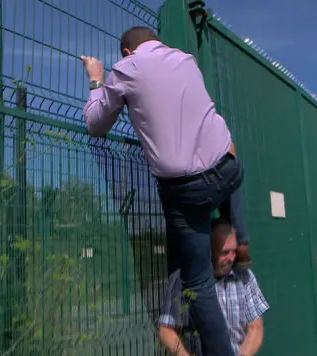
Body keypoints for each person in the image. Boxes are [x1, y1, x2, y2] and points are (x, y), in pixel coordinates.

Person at [80, 26, 251, 356]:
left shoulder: (127, 69)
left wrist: (97, 78)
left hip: (188, 191)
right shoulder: (187, 59)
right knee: (227, 163)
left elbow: (96, 124)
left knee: (199, 283)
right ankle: (239, 240)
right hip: (229, 167)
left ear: (127, 52)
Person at [158, 219, 268, 356]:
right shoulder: (183, 279)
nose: (231, 258)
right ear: (209, 250)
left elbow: (256, 328)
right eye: (225, 252)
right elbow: (166, 330)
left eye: (234, 251)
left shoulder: (244, 277)